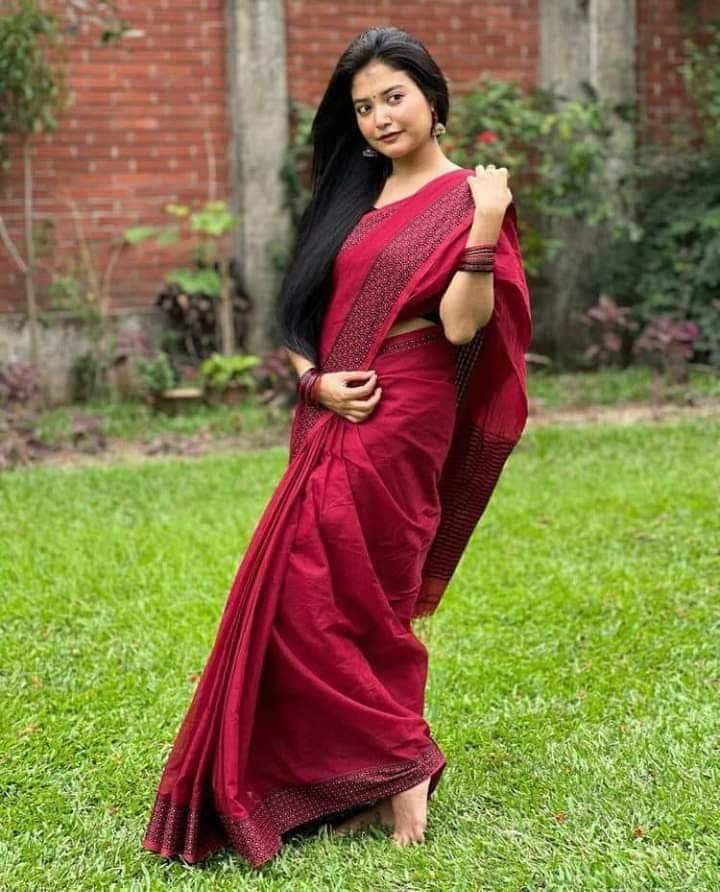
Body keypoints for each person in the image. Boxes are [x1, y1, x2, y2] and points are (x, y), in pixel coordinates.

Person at [141, 25, 531, 870]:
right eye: (363, 107)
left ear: (432, 98)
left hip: (405, 408)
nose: (380, 118)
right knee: (315, 592)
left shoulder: (470, 196)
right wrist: (314, 383)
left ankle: (404, 765)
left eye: (394, 97)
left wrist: (487, 220)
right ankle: (373, 771)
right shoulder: (352, 198)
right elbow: (299, 321)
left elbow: (462, 325)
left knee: (357, 588)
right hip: (333, 408)